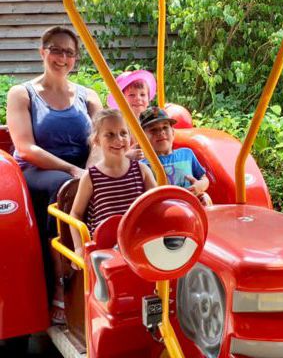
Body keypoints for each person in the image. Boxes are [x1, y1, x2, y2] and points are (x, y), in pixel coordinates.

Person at [6, 25, 103, 323]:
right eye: (56, 50)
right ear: (43, 52)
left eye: (69, 53)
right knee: (65, 187)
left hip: (81, 169)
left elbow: (102, 138)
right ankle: (62, 285)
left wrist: (90, 172)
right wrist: (74, 171)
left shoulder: (88, 96)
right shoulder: (22, 93)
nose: (62, 58)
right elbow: (25, 147)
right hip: (37, 170)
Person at [70, 109, 157, 258]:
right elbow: (76, 214)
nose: (119, 139)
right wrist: (79, 248)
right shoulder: (91, 177)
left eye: (123, 133)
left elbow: (157, 204)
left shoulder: (142, 170)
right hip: (105, 247)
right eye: (109, 135)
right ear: (96, 140)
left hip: (138, 241)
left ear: (130, 137)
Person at [140, 106, 212, 206]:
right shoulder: (142, 166)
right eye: (153, 130)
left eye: (165, 127)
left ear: (173, 133)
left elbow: (204, 179)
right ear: (142, 138)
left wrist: (200, 186)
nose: (161, 132)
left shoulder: (187, 154)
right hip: (162, 213)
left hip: (190, 208)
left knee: (206, 198)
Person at [107, 69, 156, 160]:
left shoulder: (151, 120)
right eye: (132, 95)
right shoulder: (119, 124)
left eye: (142, 95)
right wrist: (127, 155)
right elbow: (110, 153)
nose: (138, 98)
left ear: (148, 100)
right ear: (121, 100)